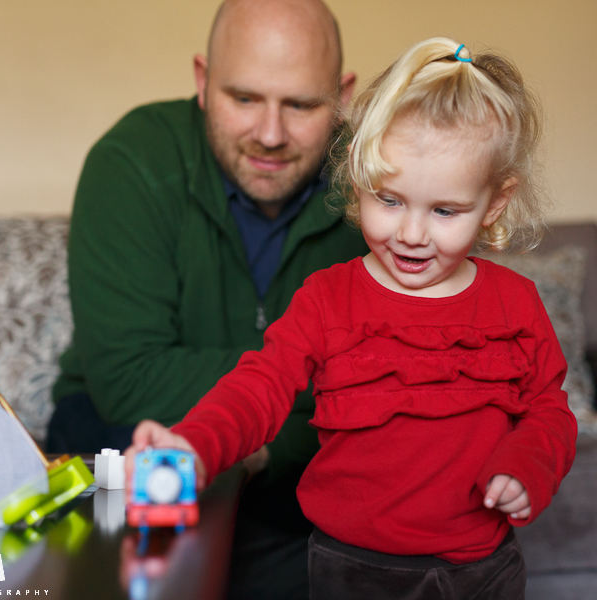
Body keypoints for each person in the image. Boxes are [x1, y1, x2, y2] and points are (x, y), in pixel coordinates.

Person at [126, 38, 578, 599]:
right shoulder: (326, 299)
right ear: (359, 179)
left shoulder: (516, 304)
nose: (411, 234)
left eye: (444, 211)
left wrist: (527, 465)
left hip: (481, 570)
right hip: (351, 570)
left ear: (494, 203)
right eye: (388, 201)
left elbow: (550, 411)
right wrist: (195, 446)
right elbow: (259, 388)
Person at [47, 0, 367, 597]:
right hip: (122, 436)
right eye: (243, 99)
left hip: (297, 468)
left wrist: (264, 448)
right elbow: (128, 378)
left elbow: (396, 381)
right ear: (201, 80)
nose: (270, 135)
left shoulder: (381, 187)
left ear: (343, 95)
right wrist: (318, 377)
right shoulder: (131, 159)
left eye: (300, 104)